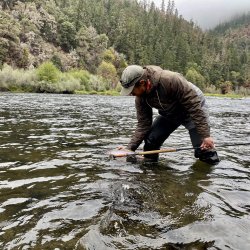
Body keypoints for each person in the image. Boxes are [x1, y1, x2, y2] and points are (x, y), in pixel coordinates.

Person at [119, 65, 220, 165]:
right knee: (151, 140)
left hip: (193, 109)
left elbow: (194, 106)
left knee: (203, 149)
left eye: (132, 91)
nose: (130, 94)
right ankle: (151, 171)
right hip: (170, 112)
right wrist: (129, 149)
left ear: (142, 83)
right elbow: (143, 125)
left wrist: (205, 135)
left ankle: (209, 175)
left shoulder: (170, 79)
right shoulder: (140, 98)